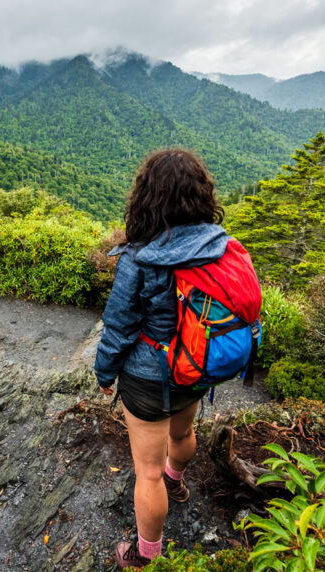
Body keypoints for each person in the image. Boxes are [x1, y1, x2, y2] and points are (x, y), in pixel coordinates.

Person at [95, 148, 230, 568]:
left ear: (147, 197)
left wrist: (105, 372)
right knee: (181, 434)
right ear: (200, 195)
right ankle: (178, 481)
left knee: (146, 472)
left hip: (147, 377)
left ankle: (143, 555)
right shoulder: (217, 246)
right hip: (195, 366)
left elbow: (118, 328)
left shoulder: (138, 257)